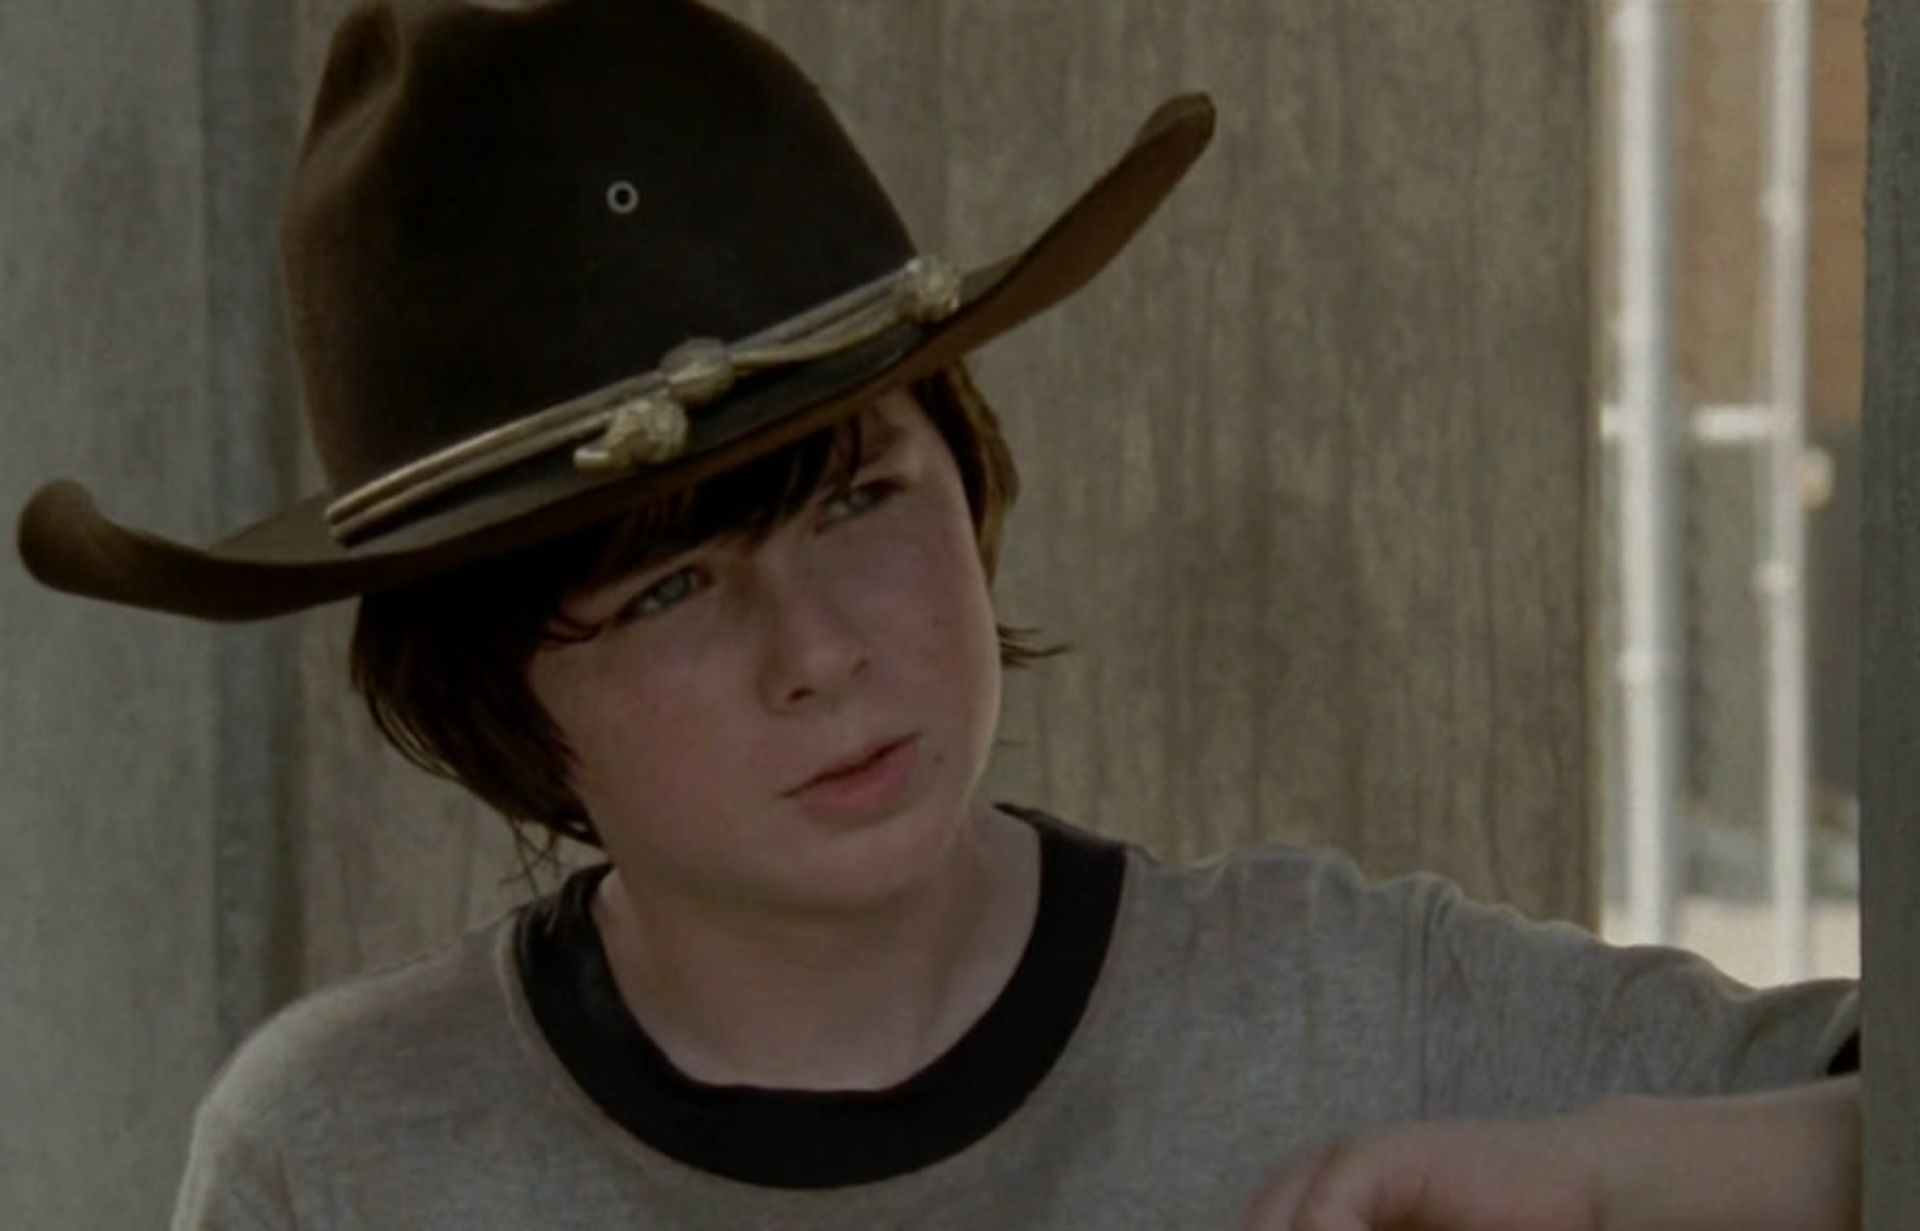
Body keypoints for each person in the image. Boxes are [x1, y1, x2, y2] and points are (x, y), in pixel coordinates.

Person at [16, 1, 1860, 1227]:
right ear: (493, 693)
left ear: (970, 480)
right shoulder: (345, 1158)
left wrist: (1611, 1184)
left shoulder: (1350, 1008)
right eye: (670, 586)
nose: (821, 650)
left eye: (860, 497)